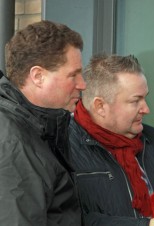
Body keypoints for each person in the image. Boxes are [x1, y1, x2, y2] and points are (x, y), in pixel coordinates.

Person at [68, 54, 154, 226]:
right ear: (100, 106)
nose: (146, 109)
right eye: (135, 101)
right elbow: (69, 220)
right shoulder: (62, 147)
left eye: (145, 97)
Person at [0, 20, 86, 226]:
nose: (82, 84)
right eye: (73, 75)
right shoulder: (14, 143)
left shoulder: (38, 128)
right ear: (38, 76)